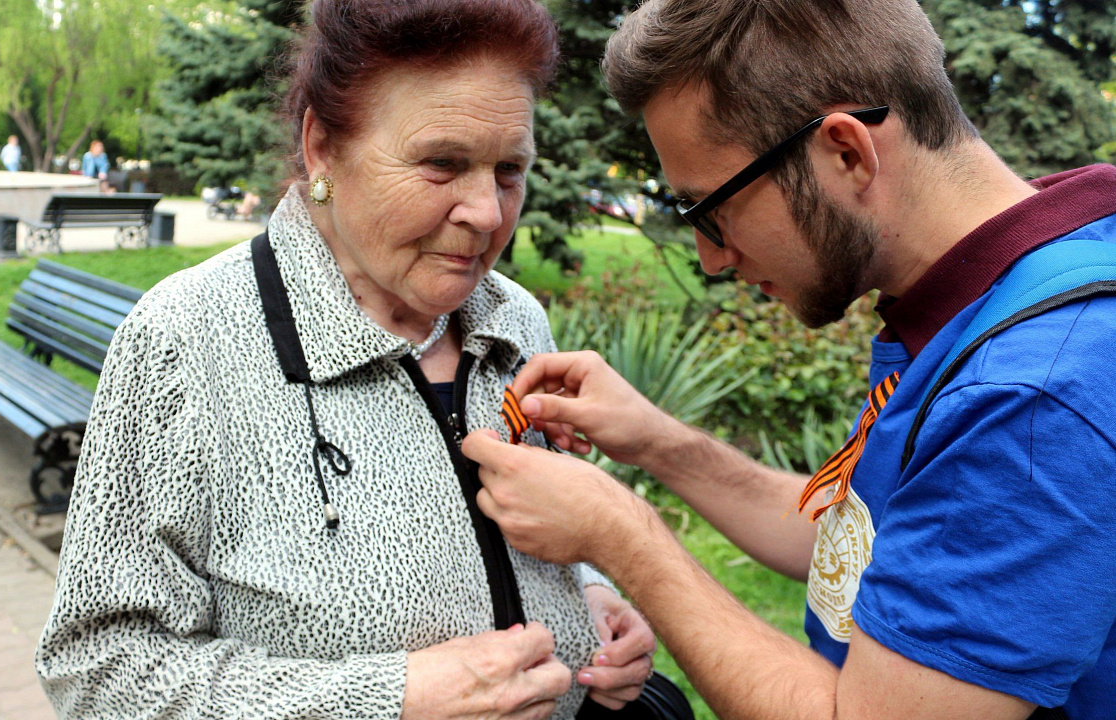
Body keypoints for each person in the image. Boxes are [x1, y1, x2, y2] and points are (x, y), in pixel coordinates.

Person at [461, 0, 1116, 718]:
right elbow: (881, 541)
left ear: (845, 151)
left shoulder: (1034, 394)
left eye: (711, 209)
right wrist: (660, 443)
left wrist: (624, 535)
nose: (711, 259)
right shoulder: (1011, 282)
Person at [35, 2, 661, 719]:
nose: (487, 213)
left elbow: (535, 529)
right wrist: (387, 700)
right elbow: (97, 669)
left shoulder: (514, 319)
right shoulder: (186, 339)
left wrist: (591, 597)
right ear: (322, 147)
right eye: (442, 164)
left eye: (510, 170)